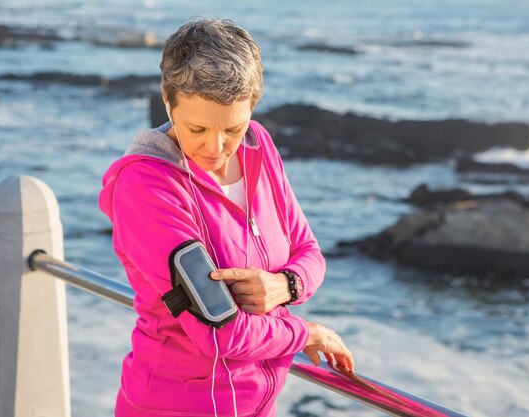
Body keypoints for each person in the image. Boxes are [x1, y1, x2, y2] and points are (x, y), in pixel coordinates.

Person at [99, 18, 354, 417]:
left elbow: (309, 252)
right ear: (168, 103)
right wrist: (305, 332)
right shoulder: (145, 187)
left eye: (232, 128)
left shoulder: (258, 145)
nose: (216, 148)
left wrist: (283, 285)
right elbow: (221, 333)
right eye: (196, 127)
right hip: (173, 407)